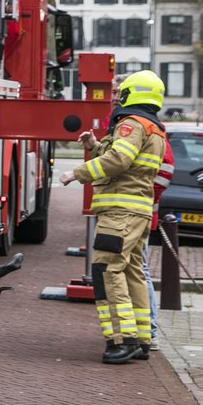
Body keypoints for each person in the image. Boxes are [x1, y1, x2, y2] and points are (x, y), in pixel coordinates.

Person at [60, 69, 170, 363]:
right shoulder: (153, 128)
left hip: (119, 214)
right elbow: (128, 161)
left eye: (121, 92)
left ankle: (122, 340)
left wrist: (76, 173)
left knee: (107, 271)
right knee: (132, 272)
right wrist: (95, 147)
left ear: (131, 94)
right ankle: (142, 338)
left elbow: (120, 161)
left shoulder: (131, 124)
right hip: (135, 212)